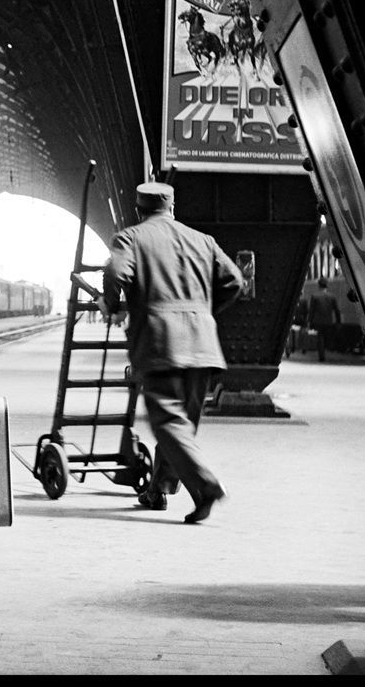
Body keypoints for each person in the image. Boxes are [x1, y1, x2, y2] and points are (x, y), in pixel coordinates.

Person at [101, 181, 244, 525]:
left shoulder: (131, 237)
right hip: (202, 345)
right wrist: (203, 313)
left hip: (160, 342)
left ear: (139, 210)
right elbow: (235, 281)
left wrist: (113, 304)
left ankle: (207, 485)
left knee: (167, 422)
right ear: (172, 208)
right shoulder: (203, 240)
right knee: (183, 425)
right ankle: (158, 490)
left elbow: (115, 272)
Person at [305, 277, 340, 363]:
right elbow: (336, 310)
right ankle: (327, 353)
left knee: (320, 338)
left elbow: (311, 311)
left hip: (317, 321)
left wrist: (309, 322)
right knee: (327, 337)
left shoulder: (315, 296)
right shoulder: (332, 297)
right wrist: (338, 322)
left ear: (319, 285)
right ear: (327, 286)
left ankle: (322, 356)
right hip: (329, 321)